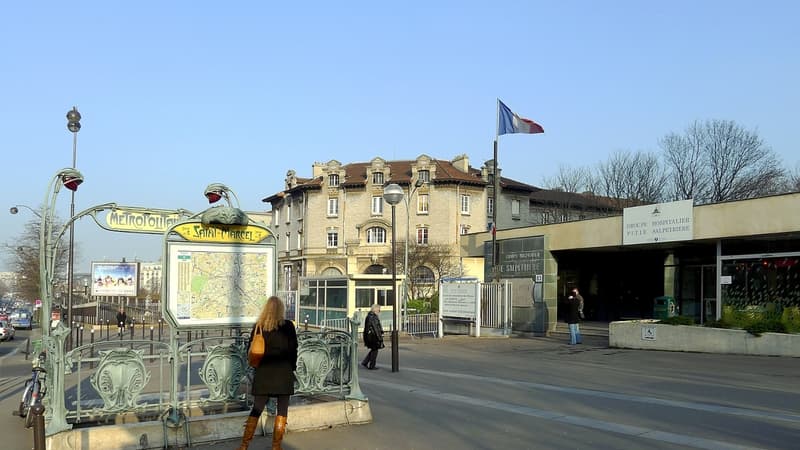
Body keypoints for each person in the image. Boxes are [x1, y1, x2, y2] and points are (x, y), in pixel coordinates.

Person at [239, 296, 298, 450]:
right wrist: (292, 368)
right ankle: (276, 446)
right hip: (283, 372)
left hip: (264, 374)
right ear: (281, 309)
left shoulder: (259, 326)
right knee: (282, 409)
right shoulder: (288, 326)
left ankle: (244, 445)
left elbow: (250, 351)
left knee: (257, 408)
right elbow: (293, 351)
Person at [361, 303, 384, 370]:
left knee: (373, 350)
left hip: (370, 336)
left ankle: (365, 362)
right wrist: (380, 337)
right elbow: (375, 328)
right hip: (373, 336)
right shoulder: (372, 317)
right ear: (375, 310)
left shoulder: (370, 316)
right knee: (375, 350)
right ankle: (372, 365)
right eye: (379, 310)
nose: (379, 312)